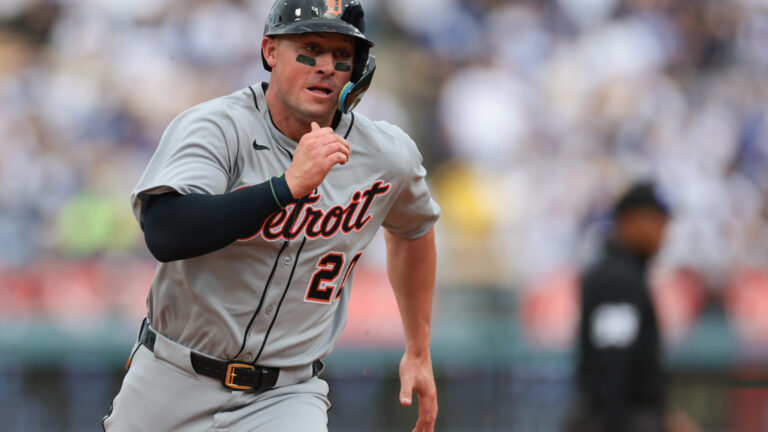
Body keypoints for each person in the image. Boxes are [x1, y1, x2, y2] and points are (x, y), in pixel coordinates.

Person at [102, 1, 440, 431]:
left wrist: (418, 349)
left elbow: (415, 231)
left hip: (286, 394)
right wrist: (284, 188)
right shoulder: (217, 127)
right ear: (270, 52)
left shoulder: (385, 154)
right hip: (172, 376)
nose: (326, 67)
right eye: (311, 48)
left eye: (342, 56)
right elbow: (166, 233)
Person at [566, 182, 670, 432]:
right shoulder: (619, 279)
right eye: (655, 220)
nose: (662, 231)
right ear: (629, 221)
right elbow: (611, 369)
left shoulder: (624, 273)